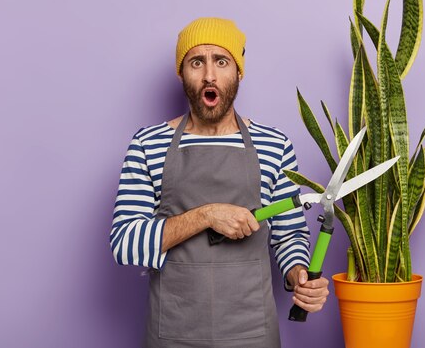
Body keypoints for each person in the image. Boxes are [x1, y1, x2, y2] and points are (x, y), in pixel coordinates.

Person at [110, 17, 330, 348]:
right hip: (172, 334)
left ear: (238, 72)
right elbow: (125, 243)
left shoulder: (274, 145)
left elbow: (289, 236)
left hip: (253, 333)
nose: (209, 75)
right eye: (196, 62)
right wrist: (208, 214)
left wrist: (299, 274)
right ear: (181, 73)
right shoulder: (148, 144)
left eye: (222, 61)